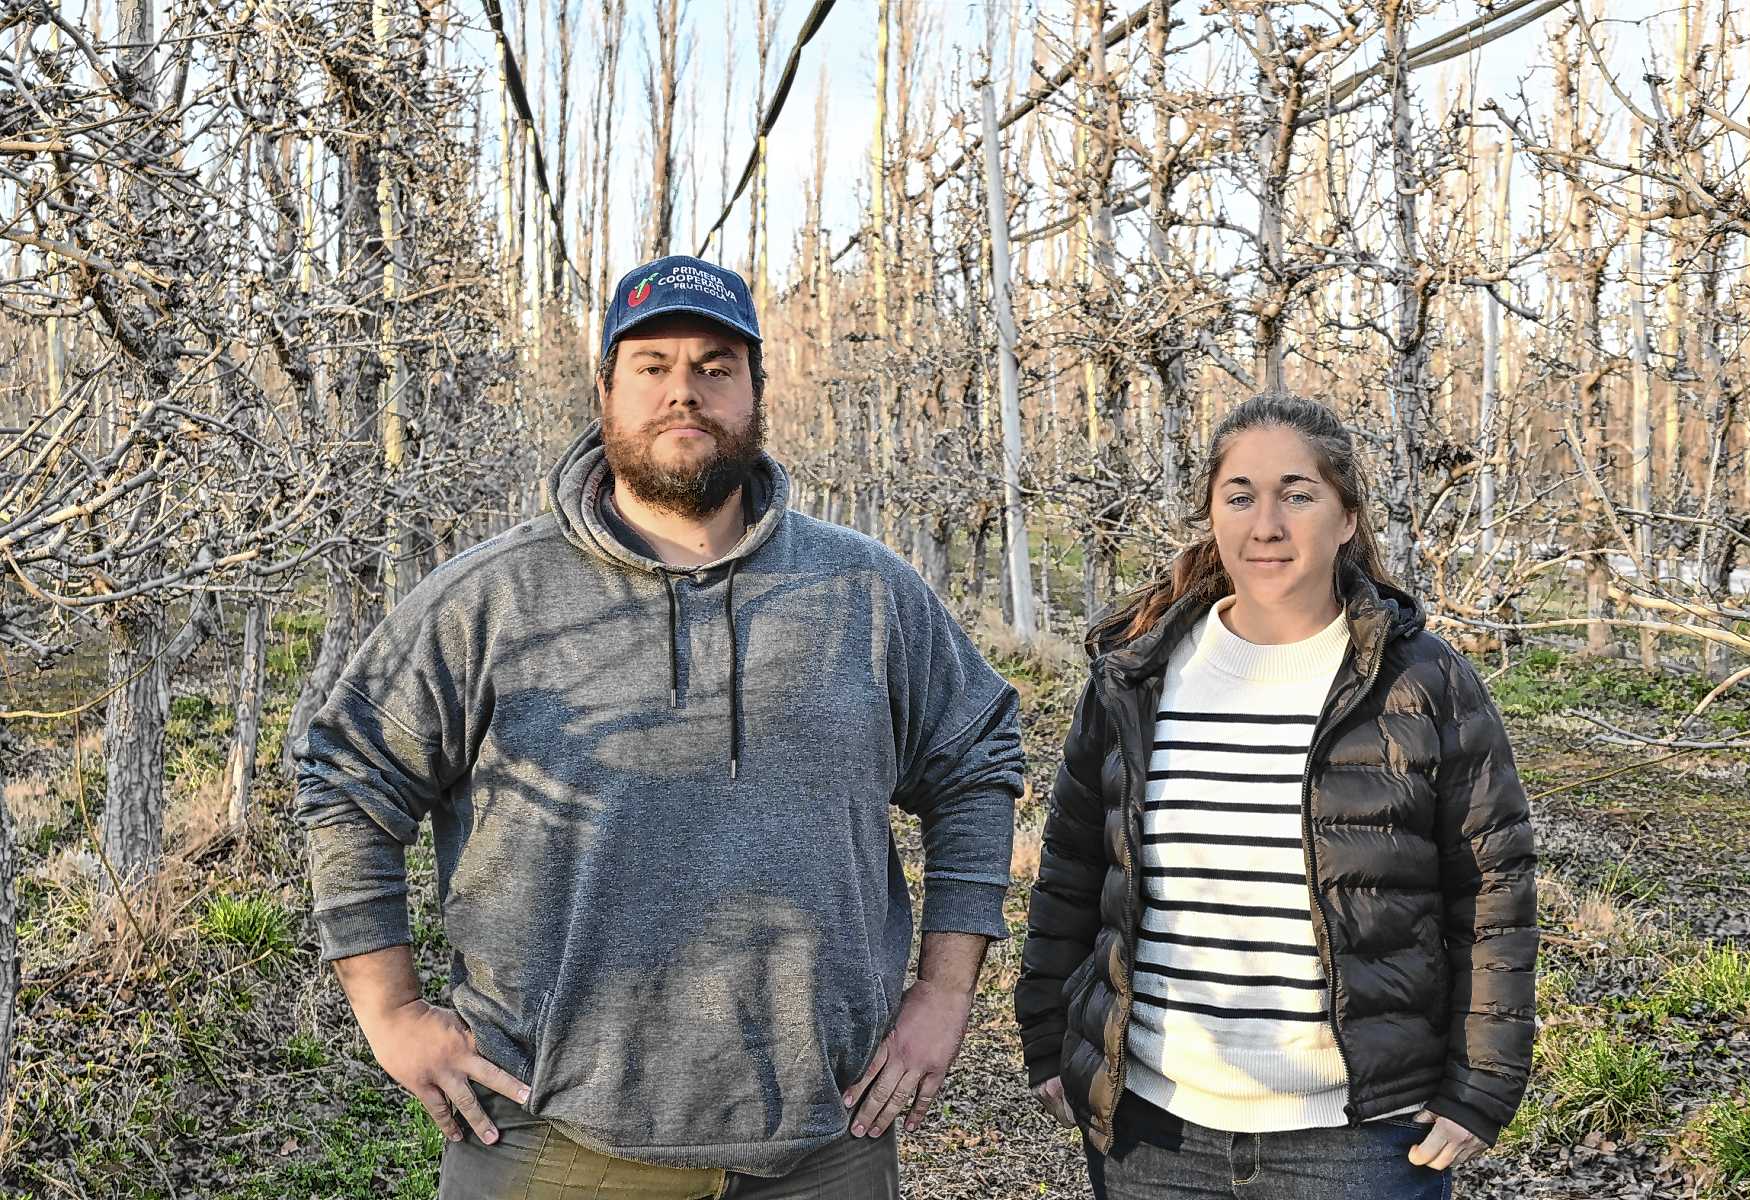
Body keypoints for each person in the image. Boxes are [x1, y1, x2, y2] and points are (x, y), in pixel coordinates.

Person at [296, 255, 1024, 1200]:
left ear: (757, 389)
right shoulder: (492, 599)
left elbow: (977, 757)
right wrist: (390, 1011)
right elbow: (349, 775)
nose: (684, 391)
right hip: (552, 1142)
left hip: (827, 1142)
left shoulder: (867, 592)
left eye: (716, 366)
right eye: (652, 365)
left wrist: (945, 991)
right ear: (605, 390)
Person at [1014, 393, 1537, 1199]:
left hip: (1359, 1143)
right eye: (1241, 496)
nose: (1268, 524)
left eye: (1298, 494)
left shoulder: (1422, 681)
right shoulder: (1137, 674)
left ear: (1347, 518)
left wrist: (1482, 1086)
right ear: (1212, 516)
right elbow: (1074, 869)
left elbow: (1492, 888)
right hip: (1154, 1133)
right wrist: (1049, 1035)